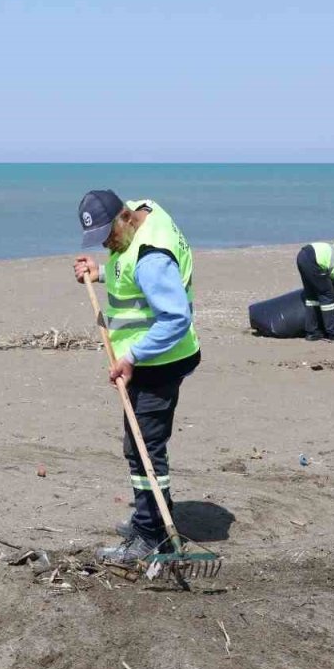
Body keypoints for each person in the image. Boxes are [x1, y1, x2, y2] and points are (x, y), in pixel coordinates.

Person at [73, 190, 201, 564]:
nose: (105, 244)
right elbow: (130, 274)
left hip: (160, 360)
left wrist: (131, 357)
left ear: (126, 217)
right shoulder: (146, 208)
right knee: (141, 443)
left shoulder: (151, 259)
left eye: (108, 235)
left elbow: (175, 318)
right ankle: (153, 517)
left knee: (143, 447)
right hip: (151, 357)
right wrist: (100, 273)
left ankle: (151, 534)